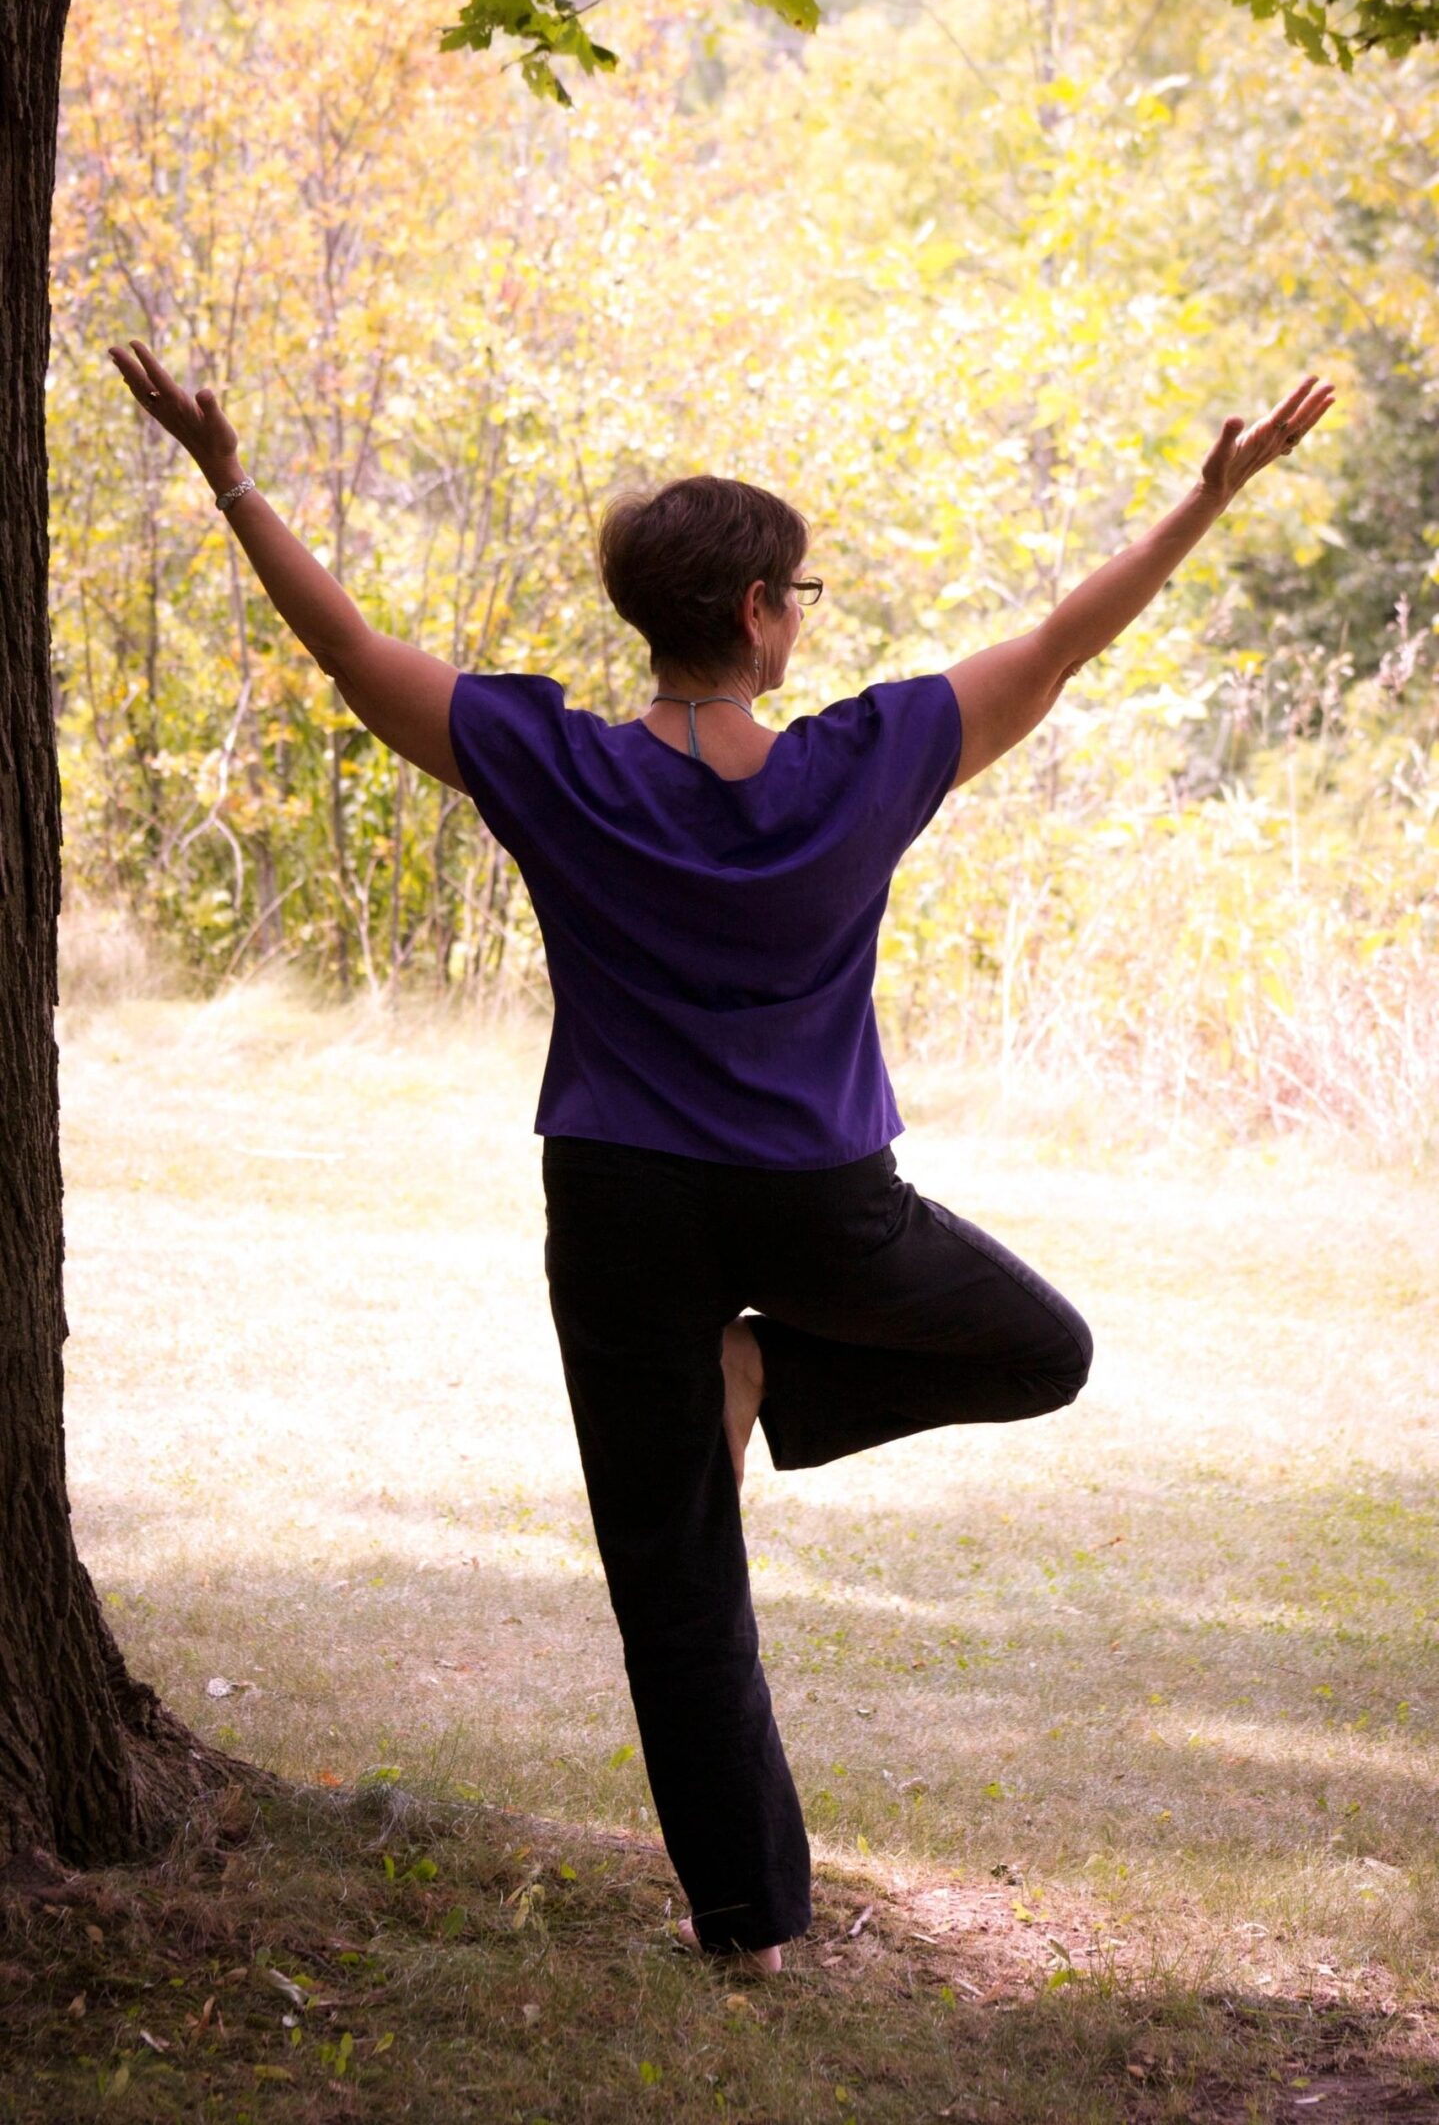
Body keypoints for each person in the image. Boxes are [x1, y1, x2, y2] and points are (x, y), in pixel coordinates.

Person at [107, 341, 1333, 1972]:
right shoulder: (857, 765)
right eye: (801, 592)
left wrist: (233, 480)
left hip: (619, 1197)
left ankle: (748, 1922)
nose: (806, 616)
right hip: (823, 1204)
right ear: (757, 613)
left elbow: (345, 652)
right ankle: (771, 1389)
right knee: (1046, 1349)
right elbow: (1058, 646)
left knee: (674, 1566)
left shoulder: (560, 765)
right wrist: (1204, 499)